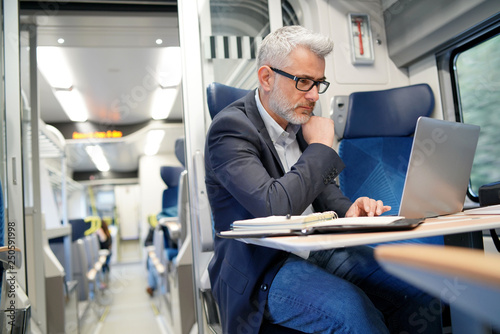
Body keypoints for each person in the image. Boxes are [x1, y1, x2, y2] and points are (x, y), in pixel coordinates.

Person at [204, 25, 442, 334]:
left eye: (319, 83)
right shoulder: (230, 130)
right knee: (350, 310)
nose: (314, 95)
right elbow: (273, 205)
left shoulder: (297, 120)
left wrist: (348, 209)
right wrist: (318, 147)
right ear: (266, 78)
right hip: (264, 267)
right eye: (304, 82)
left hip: (319, 248)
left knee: (420, 284)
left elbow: (323, 191)